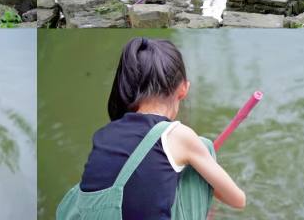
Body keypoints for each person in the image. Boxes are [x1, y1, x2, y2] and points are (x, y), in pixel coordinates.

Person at [57, 38, 246, 220]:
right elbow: (238, 200)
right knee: (203, 147)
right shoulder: (179, 136)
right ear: (183, 89)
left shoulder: (105, 134)